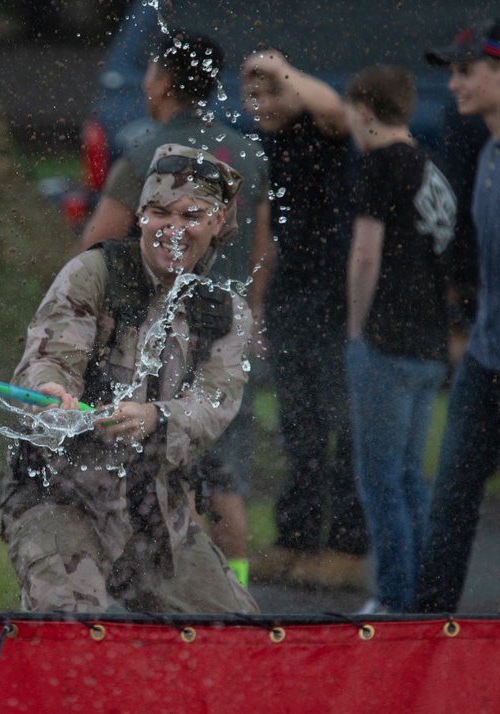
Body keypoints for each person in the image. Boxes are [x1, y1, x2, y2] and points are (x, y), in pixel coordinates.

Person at [0, 144, 258, 614]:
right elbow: (50, 359)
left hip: (155, 511)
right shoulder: (94, 274)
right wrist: (52, 393)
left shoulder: (225, 314)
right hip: (60, 497)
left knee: (237, 636)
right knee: (70, 625)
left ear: (217, 225)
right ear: (140, 215)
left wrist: (153, 419)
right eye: (159, 212)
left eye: (191, 216)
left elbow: (211, 406)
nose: (173, 229)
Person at [79, 29, 271, 586]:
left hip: (161, 338)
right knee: (226, 476)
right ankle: (233, 593)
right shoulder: (247, 152)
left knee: (168, 469)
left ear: (162, 82)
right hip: (227, 332)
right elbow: (261, 244)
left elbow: (100, 245)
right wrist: (250, 316)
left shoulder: (147, 153)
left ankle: (179, 592)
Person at [241, 48, 370, 589]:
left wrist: (278, 66)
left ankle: (347, 548)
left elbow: (336, 108)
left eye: (272, 92)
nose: (262, 104)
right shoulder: (264, 148)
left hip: (336, 300)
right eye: (253, 95)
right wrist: (256, 306)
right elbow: (266, 236)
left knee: (343, 424)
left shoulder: (324, 135)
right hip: (290, 300)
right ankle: (295, 540)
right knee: (300, 426)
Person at [342, 65, 457, 613]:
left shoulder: (380, 166)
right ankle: (423, 597)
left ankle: (394, 598)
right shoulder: (432, 170)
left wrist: (356, 326)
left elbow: (367, 253)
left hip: (387, 341)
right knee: (413, 478)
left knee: (381, 480)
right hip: (431, 343)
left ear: (364, 110)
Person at [414, 19, 500, 613]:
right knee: (450, 497)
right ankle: (422, 633)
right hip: (486, 358)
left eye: (466, 71)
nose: (453, 85)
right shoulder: (489, 149)